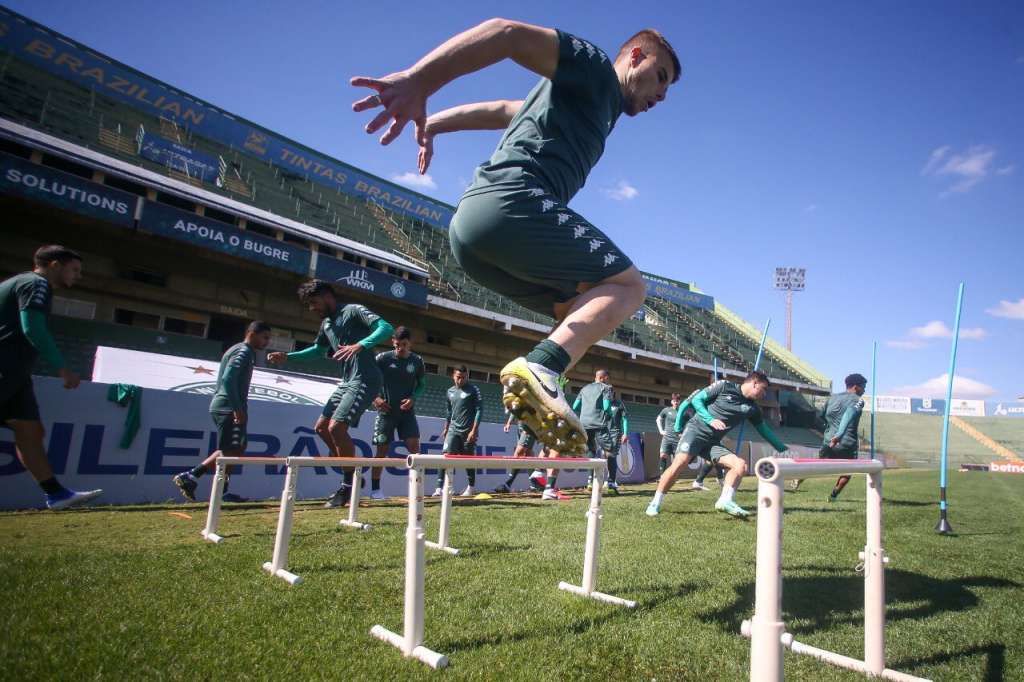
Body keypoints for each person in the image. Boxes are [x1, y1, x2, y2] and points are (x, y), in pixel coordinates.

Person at [351, 19, 681, 455]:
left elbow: (508, 109)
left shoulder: (593, 107)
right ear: (635, 57)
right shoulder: (597, 70)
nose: (662, 94)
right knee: (629, 286)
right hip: (514, 201)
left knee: (578, 309)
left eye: (669, 88)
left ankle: (547, 385)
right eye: (661, 77)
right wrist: (419, 80)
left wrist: (433, 125)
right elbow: (506, 33)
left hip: (472, 239)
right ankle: (543, 369)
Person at [267, 281, 393, 507]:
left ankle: (348, 485)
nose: (311, 308)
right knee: (321, 428)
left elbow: (386, 327)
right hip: (346, 382)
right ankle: (352, 472)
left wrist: (361, 345)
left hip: (366, 378)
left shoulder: (353, 311)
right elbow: (317, 350)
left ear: (327, 297)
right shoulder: (326, 324)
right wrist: (288, 357)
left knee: (336, 427)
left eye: (314, 302)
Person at [0, 245, 101, 509]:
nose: (78, 276)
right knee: (28, 430)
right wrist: (62, 367)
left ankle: (56, 494)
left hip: (16, 372)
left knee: (30, 430)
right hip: (5, 366)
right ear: (55, 264)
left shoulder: (21, 282)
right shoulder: (37, 284)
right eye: (75, 269)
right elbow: (32, 327)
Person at [646, 371, 789, 518]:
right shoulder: (724, 386)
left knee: (740, 465)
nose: (764, 394)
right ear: (754, 383)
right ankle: (655, 502)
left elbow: (763, 430)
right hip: (695, 432)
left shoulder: (753, 409)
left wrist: (781, 447)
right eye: (763, 389)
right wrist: (710, 419)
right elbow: (697, 400)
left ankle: (725, 501)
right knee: (679, 464)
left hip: (712, 442)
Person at [173, 321, 272, 502]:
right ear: (252, 333)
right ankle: (208, 485)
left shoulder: (238, 350)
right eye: (265, 337)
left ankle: (196, 478)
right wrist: (237, 408)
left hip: (226, 405)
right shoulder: (243, 351)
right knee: (230, 450)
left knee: (236, 447)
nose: (267, 343)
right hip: (227, 407)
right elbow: (228, 379)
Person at [791, 373, 866, 501]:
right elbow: (850, 412)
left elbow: (820, 416)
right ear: (855, 387)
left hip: (828, 441)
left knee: (818, 464)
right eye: (863, 387)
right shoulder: (858, 400)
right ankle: (833, 496)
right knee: (847, 472)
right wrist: (839, 434)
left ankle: (800, 477)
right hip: (847, 442)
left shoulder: (832, 398)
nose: (864, 390)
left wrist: (829, 429)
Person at [371, 326, 424, 500]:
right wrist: (376, 398)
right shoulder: (382, 359)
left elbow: (422, 384)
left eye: (404, 344)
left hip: (406, 413)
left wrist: (413, 398)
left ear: (410, 343)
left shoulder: (417, 361)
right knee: (381, 451)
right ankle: (375, 490)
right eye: (397, 344)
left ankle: (416, 490)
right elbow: (368, 378)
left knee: (415, 449)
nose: (400, 348)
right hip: (387, 412)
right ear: (393, 342)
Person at [436, 365, 483, 497]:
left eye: (463, 377)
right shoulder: (450, 391)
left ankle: (471, 487)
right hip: (453, 430)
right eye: (458, 377)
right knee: (446, 457)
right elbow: (449, 411)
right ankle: (440, 488)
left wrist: (474, 430)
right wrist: (446, 427)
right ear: (453, 376)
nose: (460, 380)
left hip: (468, 432)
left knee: (468, 459)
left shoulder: (473, 390)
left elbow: (480, 410)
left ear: (467, 377)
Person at [573, 369, 613, 499]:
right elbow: (607, 407)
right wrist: (609, 415)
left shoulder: (584, 388)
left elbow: (575, 406)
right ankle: (611, 482)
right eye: (607, 378)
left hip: (584, 423)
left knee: (590, 450)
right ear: (604, 378)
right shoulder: (606, 388)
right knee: (610, 450)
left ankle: (590, 482)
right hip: (599, 423)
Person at [495, 409, 548, 494]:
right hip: (521, 425)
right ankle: (536, 485)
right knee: (528, 454)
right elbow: (515, 407)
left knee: (518, 453)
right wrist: (509, 422)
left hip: (529, 426)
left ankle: (508, 484)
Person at [602, 391, 629, 493]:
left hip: (615, 432)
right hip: (604, 432)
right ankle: (609, 478)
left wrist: (625, 433)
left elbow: (625, 419)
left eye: (610, 394)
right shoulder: (603, 404)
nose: (608, 396)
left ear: (613, 394)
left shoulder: (619, 404)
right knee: (605, 456)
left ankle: (611, 481)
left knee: (611, 455)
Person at [656, 393, 683, 474]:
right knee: (663, 455)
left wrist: (683, 433)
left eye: (677, 401)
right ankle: (662, 476)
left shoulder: (683, 412)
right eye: (674, 400)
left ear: (679, 402)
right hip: (667, 437)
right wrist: (661, 431)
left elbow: (688, 423)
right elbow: (658, 419)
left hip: (677, 439)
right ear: (672, 401)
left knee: (676, 460)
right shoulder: (666, 410)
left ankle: (672, 476)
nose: (676, 402)